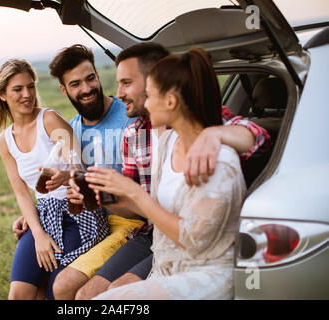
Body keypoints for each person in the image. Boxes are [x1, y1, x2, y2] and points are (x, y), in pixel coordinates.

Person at [74, 43, 270, 299]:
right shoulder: (145, 136)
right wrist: (101, 195)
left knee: (115, 296)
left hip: (198, 261)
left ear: (162, 90)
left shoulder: (214, 146)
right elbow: (137, 205)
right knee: (88, 296)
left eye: (126, 82)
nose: (119, 93)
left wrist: (214, 133)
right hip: (155, 240)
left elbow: (260, 138)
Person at [11, 45, 145, 300]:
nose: (86, 89)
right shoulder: (69, 131)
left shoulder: (131, 117)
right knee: (34, 284)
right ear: (64, 90)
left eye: (90, 78)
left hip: (129, 222)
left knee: (62, 286)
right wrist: (30, 215)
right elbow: (58, 185)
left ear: (98, 74)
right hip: (88, 221)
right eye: (75, 84)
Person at [0, 58, 109, 300]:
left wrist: (66, 176)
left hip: (78, 214)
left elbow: (80, 169)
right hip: (44, 216)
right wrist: (38, 234)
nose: (27, 94)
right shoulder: (5, 141)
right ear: (1, 95)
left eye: (31, 86)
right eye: (18, 89)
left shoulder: (49, 120)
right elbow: (21, 192)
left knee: (53, 292)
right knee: (19, 294)